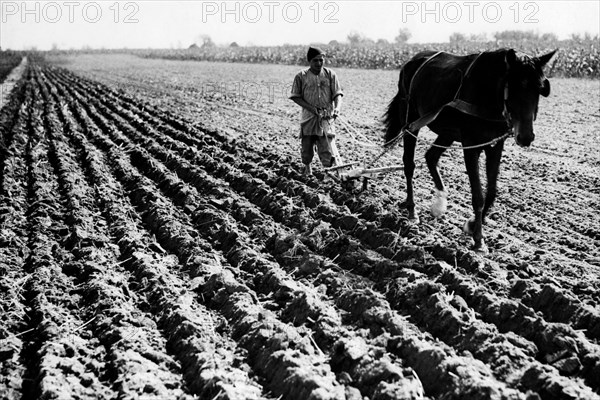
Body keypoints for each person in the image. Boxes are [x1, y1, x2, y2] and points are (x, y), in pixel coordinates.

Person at [289, 46, 343, 177]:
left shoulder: (331, 75)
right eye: (315, 60)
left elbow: (337, 94)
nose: (319, 63)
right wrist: (312, 109)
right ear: (309, 61)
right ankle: (307, 167)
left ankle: (327, 174)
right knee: (307, 148)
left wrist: (337, 108)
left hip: (326, 118)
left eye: (321, 60)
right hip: (309, 118)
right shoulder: (301, 77)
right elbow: (295, 96)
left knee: (327, 148)